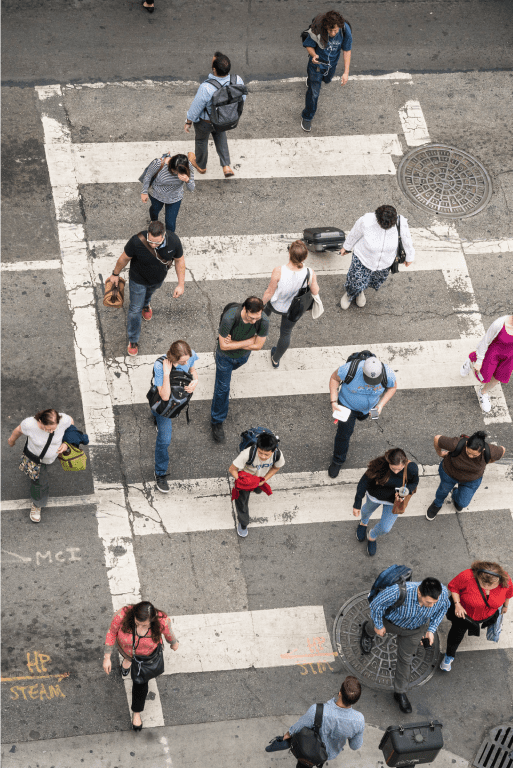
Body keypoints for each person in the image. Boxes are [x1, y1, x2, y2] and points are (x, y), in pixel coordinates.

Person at [361, 577, 449, 713]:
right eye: (428, 602)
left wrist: (431, 630)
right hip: (391, 622)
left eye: (434, 602)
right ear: (419, 593)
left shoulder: (441, 594)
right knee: (372, 627)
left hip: (414, 630)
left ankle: (400, 692)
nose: (431, 606)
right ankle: (367, 631)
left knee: (405, 659)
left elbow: (442, 609)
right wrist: (378, 625)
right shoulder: (398, 592)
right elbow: (376, 605)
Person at [108, 221, 185, 357]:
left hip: (157, 280)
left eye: (157, 242)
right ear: (147, 234)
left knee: (149, 294)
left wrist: (181, 284)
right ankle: (133, 340)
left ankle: (146, 304)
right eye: (150, 241)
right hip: (138, 280)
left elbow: (179, 260)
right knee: (134, 310)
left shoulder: (174, 241)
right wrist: (115, 274)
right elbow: (124, 258)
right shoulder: (137, 241)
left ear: (164, 236)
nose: (153, 245)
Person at [103, 601, 179, 730]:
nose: (139, 628)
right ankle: (127, 661)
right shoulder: (122, 615)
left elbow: (168, 633)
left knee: (140, 684)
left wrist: (173, 642)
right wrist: (107, 657)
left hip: (146, 657)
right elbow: (112, 632)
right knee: (128, 659)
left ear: (152, 621)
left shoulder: (162, 621)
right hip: (127, 650)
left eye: (144, 625)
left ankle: (136, 712)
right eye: (137, 623)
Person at [266, 676, 365, 764]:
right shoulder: (359, 720)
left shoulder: (317, 710)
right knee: (320, 760)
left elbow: (298, 727)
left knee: (304, 764)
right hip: (328, 754)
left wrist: (285, 736)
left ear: (340, 693)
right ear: (355, 700)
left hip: (309, 749)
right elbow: (355, 746)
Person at [210, 297, 269, 443]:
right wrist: (250, 341)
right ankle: (217, 420)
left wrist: (235, 343)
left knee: (229, 375)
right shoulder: (230, 317)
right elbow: (223, 346)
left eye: (257, 317)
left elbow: (258, 346)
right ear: (245, 309)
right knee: (223, 388)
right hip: (224, 357)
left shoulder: (264, 320)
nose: (255, 321)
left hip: (242, 357)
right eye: (251, 317)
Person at [328, 355, 397, 477]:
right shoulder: (349, 369)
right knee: (344, 434)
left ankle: (361, 415)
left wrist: (380, 405)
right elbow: (334, 378)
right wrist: (333, 401)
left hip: (369, 408)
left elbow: (392, 387)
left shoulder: (388, 374)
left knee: (363, 417)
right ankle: (337, 460)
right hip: (347, 406)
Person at [339, 205, 415, 310]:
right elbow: (354, 234)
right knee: (355, 281)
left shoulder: (400, 222)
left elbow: (407, 239)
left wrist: (409, 256)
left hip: (384, 263)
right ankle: (350, 293)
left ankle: (360, 291)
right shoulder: (366, 221)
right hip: (363, 259)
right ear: (377, 219)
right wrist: (346, 247)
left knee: (370, 281)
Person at [441, 561, 512, 672]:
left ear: (499, 579)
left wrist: (505, 606)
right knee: (456, 635)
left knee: (490, 622)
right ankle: (449, 656)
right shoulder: (467, 576)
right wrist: (457, 604)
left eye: (491, 585)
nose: (487, 588)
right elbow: (454, 588)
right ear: (478, 576)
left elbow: (508, 594)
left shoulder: (506, 580)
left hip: (488, 614)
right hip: (464, 615)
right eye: (484, 584)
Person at [185, 52, 246, 178]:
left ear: (214, 69)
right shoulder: (237, 80)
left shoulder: (206, 87)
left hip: (206, 122)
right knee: (220, 135)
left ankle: (201, 165)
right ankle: (226, 166)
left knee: (201, 140)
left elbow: (196, 108)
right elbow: (242, 98)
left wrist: (188, 121)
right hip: (223, 120)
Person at [8, 408, 74, 523]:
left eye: (54, 429)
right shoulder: (29, 424)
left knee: (39, 480)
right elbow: (18, 430)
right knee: (39, 483)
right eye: (47, 429)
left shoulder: (63, 420)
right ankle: (37, 504)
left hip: (51, 458)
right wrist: (11, 441)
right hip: (35, 459)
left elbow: (71, 423)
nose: (51, 432)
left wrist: (66, 443)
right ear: (40, 421)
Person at [262, 239, 320, 368]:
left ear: (289, 254)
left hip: (276, 304)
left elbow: (270, 292)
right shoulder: (309, 272)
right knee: (286, 333)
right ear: (305, 257)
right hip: (293, 309)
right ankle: (276, 359)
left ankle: (261, 321)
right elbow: (315, 291)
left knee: (266, 308)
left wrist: (260, 304)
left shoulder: (278, 271)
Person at [152, 341, 199, 493]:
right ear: (172, 358)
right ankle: (160, 472)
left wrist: (195, 380)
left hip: (178, 398)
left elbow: (192, 370)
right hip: (165, 402)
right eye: (182, 361)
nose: (186, 362)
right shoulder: (160, 365)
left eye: (187, 359)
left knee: (160, 419)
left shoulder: (189, 356)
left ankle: (155, 416)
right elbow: (164, 396)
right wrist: (167, 373)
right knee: (164, 440)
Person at [353, 448, 419, 556]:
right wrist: (357, 503)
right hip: (375, 496)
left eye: (400, 468)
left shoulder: (411, 468)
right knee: (366, 510)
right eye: (393, 468)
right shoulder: (379, 465)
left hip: (394, 501)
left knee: (385, 528)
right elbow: (363, 482)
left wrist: (407, 491)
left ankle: (372, 535)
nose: (396, 471)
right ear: (389, 463)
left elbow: (414, 482)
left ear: (405, 462)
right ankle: (363, 523)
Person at [426, 430, 505, 520]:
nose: (470, 456)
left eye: (474, 455)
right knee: (442, 491)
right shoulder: (456, 444)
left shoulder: (490, 451)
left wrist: (488, 461)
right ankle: (437, 504)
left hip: (471, 481)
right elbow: (437, 438)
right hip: (449, 474)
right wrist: (440, 453)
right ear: (467, 443)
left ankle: (455, 494)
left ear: (482, 450)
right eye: (468, 452)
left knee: (463, 503)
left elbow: (502, 450)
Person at [301, 10, 352, 132]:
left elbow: (347, 50)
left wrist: (346, 72)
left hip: (331, 65)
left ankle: (311, 80)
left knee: (327, 80)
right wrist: (313, 55)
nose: (333, 33)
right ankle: (307, 116)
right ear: (325, 27)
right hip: (316, 65)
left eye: (335, 30)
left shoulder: (345, 30)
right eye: (330, 31)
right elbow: (308, 45)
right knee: (314, 93)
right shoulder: (318, 29)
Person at [229, 432, 285, 538]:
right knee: (241, 502)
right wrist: (242, 481)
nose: (263, 457)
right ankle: (243, 522)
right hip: (246, 479)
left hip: (259, 478)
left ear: (274, 451)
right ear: (257, 447)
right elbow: (232, 469)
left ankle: (256, 488)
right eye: (260, 453)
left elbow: (276, 468)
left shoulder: (278, 455)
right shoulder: (247, 453)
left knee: (258, 489)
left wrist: (263, 480)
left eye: (266, 454)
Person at [460, 314, 513, 413]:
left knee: (499, 378)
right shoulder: (499, 324)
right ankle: (472, 359)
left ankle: (483, 393)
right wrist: (479, 361)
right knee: (483, 378)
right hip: (494, 353)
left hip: (509, 357)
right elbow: (485, 342)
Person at [140, 153, 195, 233]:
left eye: (179, 172)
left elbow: (191, 188)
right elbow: (148, 176)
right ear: (170, 165)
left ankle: (170, 239)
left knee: (170, 224)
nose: (177, 173)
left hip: (175, 198)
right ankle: (153, 220)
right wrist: (144, 192)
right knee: (155, 210)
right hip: (157, 195)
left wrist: (187, 180)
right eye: (175, 171)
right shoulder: (159, 163)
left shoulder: (188, 166)